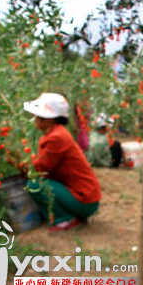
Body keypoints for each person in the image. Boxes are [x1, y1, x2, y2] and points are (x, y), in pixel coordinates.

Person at [23, 93, 101, 231]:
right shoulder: (57, 133)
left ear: (49, 119)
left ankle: (64, 219)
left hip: (84, 199)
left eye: (38, 116)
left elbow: (40, 168)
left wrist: (21, 164)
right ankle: (69, 213)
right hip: (86, 196)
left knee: (35, 185)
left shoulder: (56, 137)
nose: (35, 120)